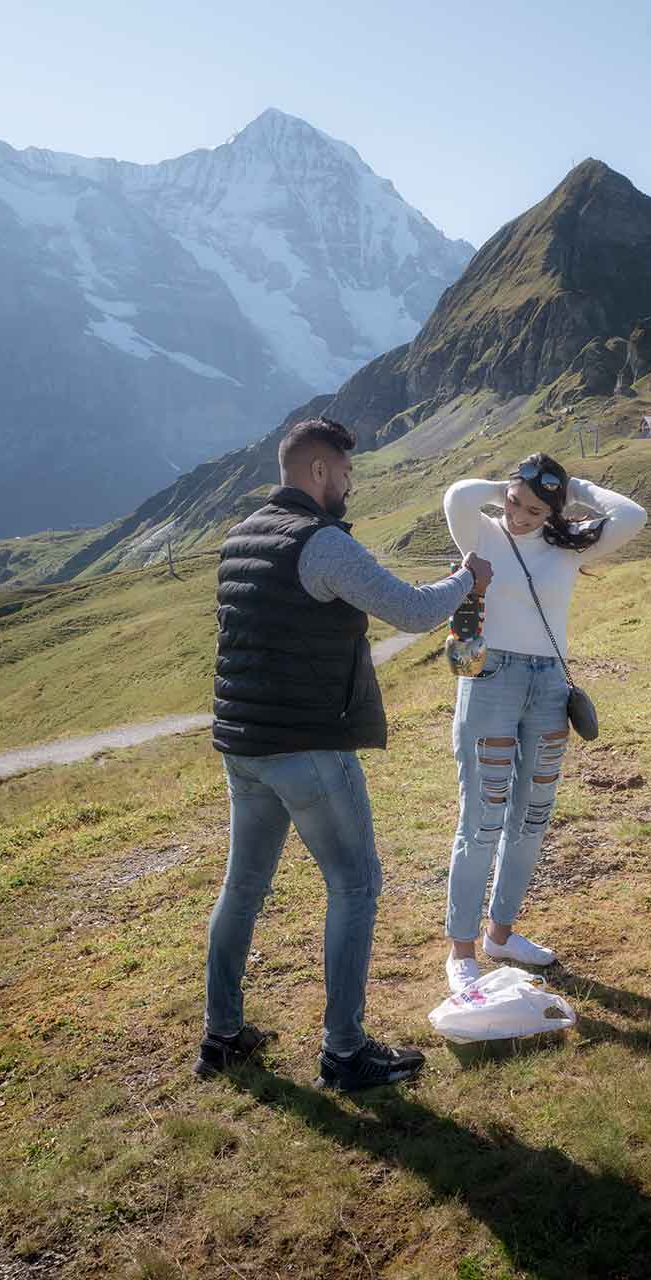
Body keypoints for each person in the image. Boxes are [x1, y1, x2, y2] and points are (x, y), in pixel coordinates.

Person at [199, 416, 493, 1090]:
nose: (350, 487)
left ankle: (221, 1036)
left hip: (243, 745)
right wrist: (467, 578)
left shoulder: (241, 536)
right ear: (320, 472)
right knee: (355, 884)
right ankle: (344, 1051)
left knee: (242, 889)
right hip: (307, 745)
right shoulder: (321, 541)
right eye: (347, 474)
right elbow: (415, 613)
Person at [439, 453, 647, 994]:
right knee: (481, 817)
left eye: (534, 509)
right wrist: (511, 481)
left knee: (532, 814)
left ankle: (501, 935)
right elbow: (459, 493)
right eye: (513, 501)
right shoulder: (479, 531)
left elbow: (632, 516)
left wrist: (573, 489)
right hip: (490, 678)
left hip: (551, 685)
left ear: (554, 511)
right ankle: (462, 950)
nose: (519, 514)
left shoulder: (567, 544)